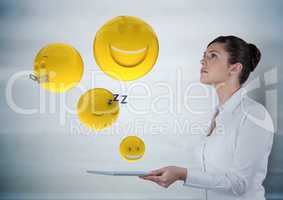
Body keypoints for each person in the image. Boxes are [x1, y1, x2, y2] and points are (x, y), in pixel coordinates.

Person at [139, 35, 274, 200]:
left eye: (213, 56)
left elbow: (240, 184)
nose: (203, 61)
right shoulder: (218, 114)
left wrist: (182, 174)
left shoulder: (254, 115)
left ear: (235, 68)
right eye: (204, 56)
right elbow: (214, 176)